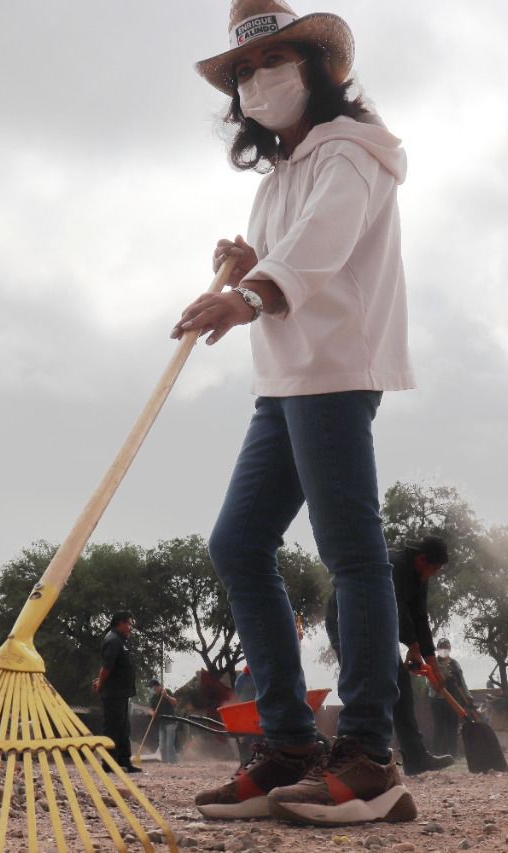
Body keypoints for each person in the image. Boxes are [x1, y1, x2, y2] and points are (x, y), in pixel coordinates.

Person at [177, 1, 417, 826]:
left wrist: (248, 294)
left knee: (352, 552)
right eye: (242, 71)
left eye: (272, 61)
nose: (256, 80)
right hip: (283, 382)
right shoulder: (281, 176)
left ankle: (371, 758)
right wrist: (250, 264)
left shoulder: (353, 152)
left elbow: (324, 243)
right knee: (238, 542)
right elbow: (290, 250)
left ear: (318, 69)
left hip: (335, 373)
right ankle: (286, 745)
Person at [326, 537, 455, 777]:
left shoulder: (419, 577)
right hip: (345, 619)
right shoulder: (392, 565)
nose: (435, 574)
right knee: (365, 681)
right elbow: (396, 607)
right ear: (421, 559)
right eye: (435, 568)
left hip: (374, 623)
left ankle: (415, 757)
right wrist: (413, 647)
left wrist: (433, 664)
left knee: (400, 683)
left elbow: (419, 617)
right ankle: (354, 754)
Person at [92, 611, 140, 773]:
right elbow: (106, 667)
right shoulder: (112, 640)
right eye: (129, 624)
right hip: (113, 693)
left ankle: (125, 762)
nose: (131, 628)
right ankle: (109, 764)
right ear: (120, 623)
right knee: (112, 728)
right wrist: (100, 684)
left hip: (121, 693)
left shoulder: (120, 641)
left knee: (123, 729)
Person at [427, 638, 471, 759]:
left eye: (446, 647)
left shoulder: (455, 664)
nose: (444, 650)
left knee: (453, 727)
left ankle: (453, 755)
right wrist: (442, 681)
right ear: (437, 649)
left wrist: (467, 697)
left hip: (453, 701)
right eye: (441, 647)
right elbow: (430, 682)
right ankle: (437, 755)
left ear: (450, 649)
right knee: (439, 728)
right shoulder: (433, 664)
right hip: (437, 700)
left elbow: (462, 682)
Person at [149, 679, 180, 764]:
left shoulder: (167, 692)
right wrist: (152, 713)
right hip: (161, 723)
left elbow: (175, 702)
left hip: (171, 722)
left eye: (153, 688)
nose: (153, 689)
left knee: (169, 744)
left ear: (158, 686)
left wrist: (166, 696)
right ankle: (165, 762)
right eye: (152, 688)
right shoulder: (153, 698)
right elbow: (150, 709)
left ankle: (173, 762)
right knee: (162, 745)